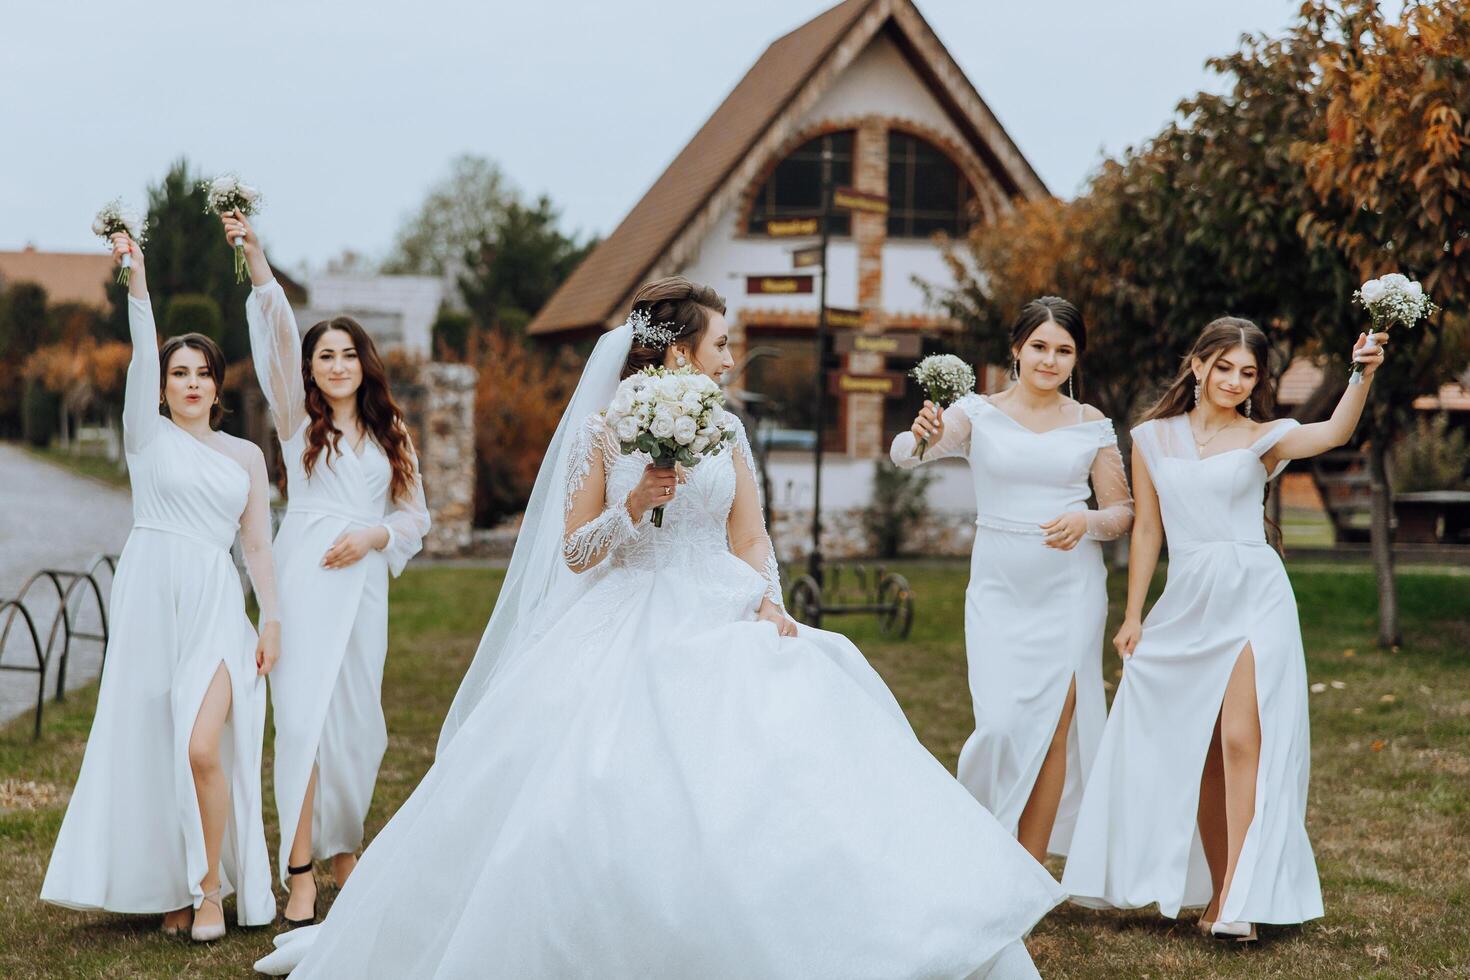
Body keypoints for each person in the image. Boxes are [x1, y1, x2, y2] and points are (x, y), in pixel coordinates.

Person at [256, 276, 1062, 978]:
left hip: (723, 603)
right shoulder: (604, 430)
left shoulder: (728, 427)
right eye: (722, 341)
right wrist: (633, 505)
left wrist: (771, 602)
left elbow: (749, 535)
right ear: (678, 351)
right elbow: (576, 552)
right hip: (625, 610)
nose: (730, 355)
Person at [1062, 316, 1388, 941]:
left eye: (1249, 373)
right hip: (1187, 598)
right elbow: (1150, 531)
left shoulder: (1263, 437)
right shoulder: (1152, 438)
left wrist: (1359, 374)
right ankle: (1217, 891)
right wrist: (1133, 615)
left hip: (1252, 590)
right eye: (1225, 367)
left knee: (1243, 738)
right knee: (1202, 747)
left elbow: (1335, 431)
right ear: (1198, 364)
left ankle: (1240, 897)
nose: (1235, 381)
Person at [41, 232, 277, 941]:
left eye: (203, 372)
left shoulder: (246, 457)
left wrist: (271, 620)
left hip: (215, 608)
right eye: (180, 373)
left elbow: (257, 546)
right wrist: (136, 285)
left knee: (203, 747)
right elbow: (141, 355)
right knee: (150, 743)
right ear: (165, 385)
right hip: (150, 601)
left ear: (218, 383)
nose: (192, 383)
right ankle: (171, 884)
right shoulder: (145, 437)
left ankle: (210, 889)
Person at [223, 212, 430, 927]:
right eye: (323, 357)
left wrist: (374, 534)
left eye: (347, 354)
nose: (335, 365)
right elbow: (276, 334)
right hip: (305, 579)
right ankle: (302, 868)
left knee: (357, 726)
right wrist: (257, 261)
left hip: (363, 586)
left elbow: (414, 518)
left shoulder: (390, 431)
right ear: (309, 370)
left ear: (363, 361)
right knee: (304, 721)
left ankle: (348, 848)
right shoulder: (293, 420)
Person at [891, 297, 1132, 863]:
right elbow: (907, 455)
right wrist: (922, 432)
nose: (1050, 361)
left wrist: (1086, 520)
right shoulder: (977, 413)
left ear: (1077, 358)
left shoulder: (1091, 423)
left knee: (1054, 730)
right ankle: (978, 846)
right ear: (1017, 349)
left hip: (1071, 588)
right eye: (1040, 347)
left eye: (1064, 351)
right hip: (1000, 589)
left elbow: (1122, 513)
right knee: (999, 727)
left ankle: (1029, 871)